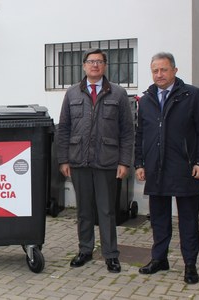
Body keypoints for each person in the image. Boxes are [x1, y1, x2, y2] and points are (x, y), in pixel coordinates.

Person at [135, 52, 199, 284]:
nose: (159, 74)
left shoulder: (193, 95)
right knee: (159, 219)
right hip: (155, 169)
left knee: (188, 220)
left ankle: (190, 265)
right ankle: (159, 259)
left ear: (175, 71)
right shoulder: (147, 99)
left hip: (185, 168)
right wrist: (139, 163)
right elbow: (141, 135)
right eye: (155, 70)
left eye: (164, 69)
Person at [56, 48, 134, 273]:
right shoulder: (71, 94)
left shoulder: (118, 94)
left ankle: (110, 255)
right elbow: (64, 129)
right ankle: (85, 250)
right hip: (79, 161)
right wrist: (63, 160)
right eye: (91, 62)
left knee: (107, 210)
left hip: (107, 162)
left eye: (99, 62)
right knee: (84, 210)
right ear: (83, 66)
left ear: (105, 66)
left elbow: (127, 132)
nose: (95, 65)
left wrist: (124, 162)